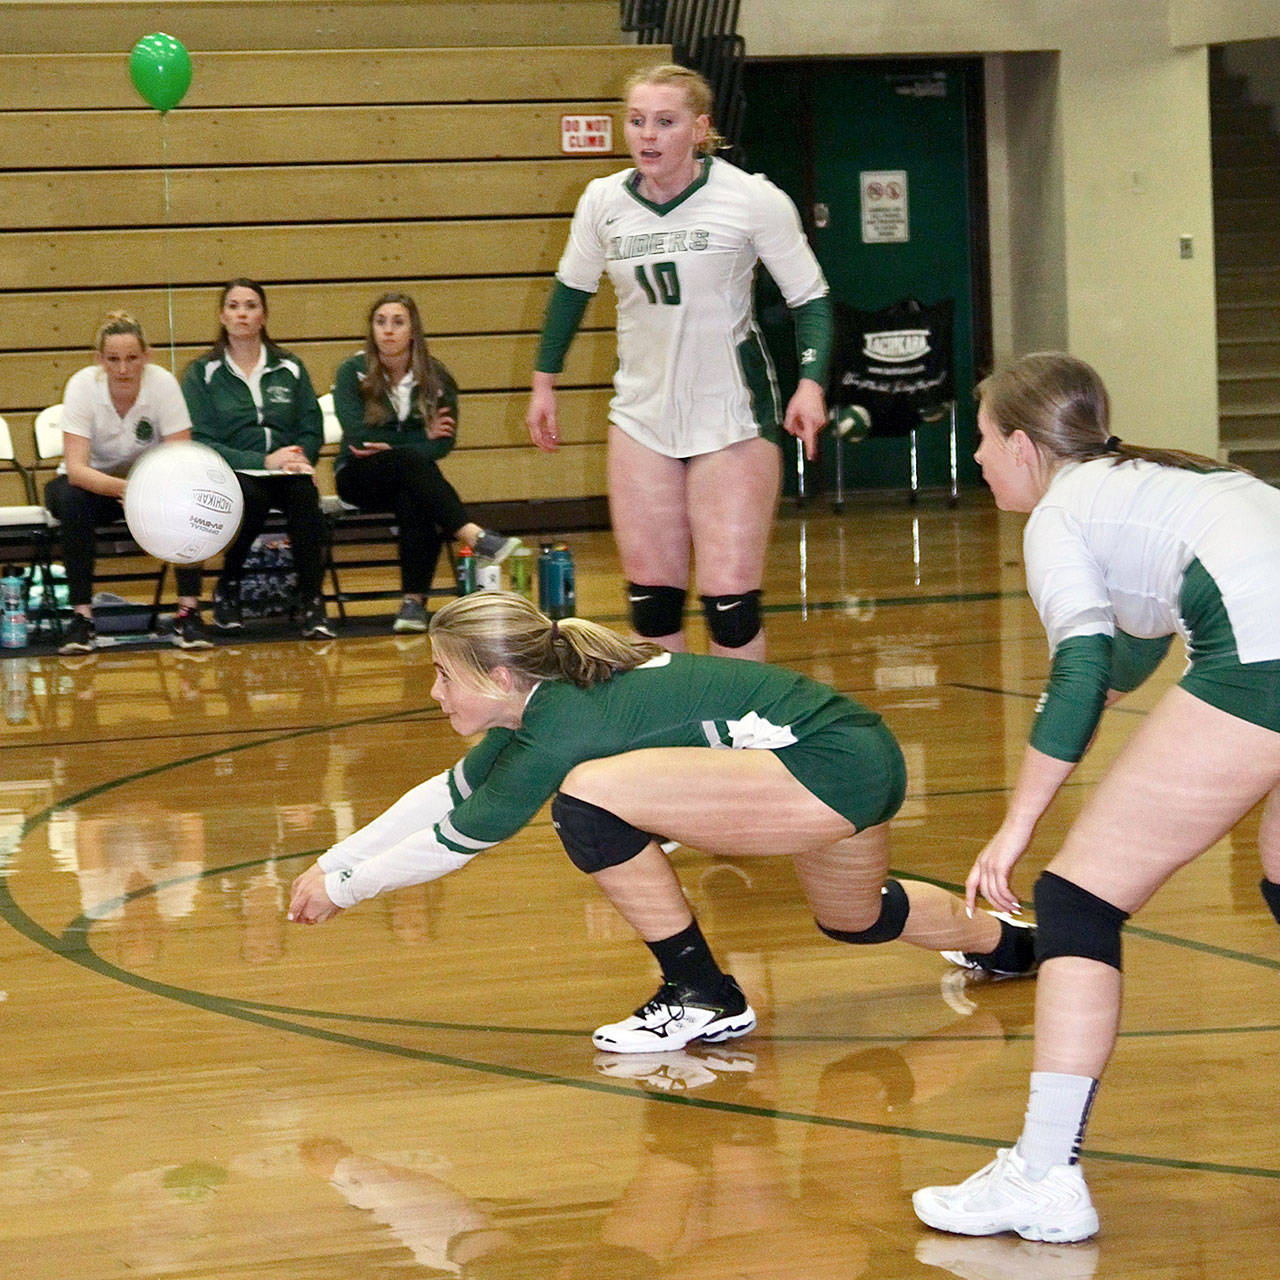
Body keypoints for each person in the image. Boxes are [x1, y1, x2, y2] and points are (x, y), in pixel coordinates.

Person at [287, 590, 1035, 1052]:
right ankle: (1020, 946)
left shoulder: (561, 727)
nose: (433, 690)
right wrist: (335, 859)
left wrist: (346, 890)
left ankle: (700, 993)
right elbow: (446, 795)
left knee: (585, 798)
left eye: (444, 674)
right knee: (854, 919)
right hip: (856, 757)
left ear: (501, 680)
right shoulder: (544, 707)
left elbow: (463, 838)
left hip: (827, 769)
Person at [912, 352, 1280, 1242]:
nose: (977, 459)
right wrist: (1084, 702)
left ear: (1028, 449)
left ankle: (1043, 1175)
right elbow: (1140, 637)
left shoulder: (1060, 516)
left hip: (1263, 662)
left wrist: (1016, 826)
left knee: (1075, 900)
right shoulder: (1149, 475)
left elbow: (1081, 668)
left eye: (984, 440)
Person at [526, 63, 832, 661]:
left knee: (730, 606)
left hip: (732, 416)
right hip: (642, 416)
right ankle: (670, 738)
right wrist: (544, 384)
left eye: (665, 122)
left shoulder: (750, 198)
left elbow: (811, 298)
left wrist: (811, 383)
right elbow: (570, 291)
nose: (648, 135)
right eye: (637, 121)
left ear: (700, 127)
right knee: (652, 601)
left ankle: (739, 737)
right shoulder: (602, 201)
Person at [331, 292, 521, 633]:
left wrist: (395, 443)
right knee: (413, 466)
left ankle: (412, 605)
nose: (388, 330)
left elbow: (444, 443)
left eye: (398, 322)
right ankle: (471, 534)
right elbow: (358, 439)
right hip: (359, 477)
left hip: (408, 480)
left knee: (414, 495)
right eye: (380, 322)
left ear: (413, 331)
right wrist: (420, 440)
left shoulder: (437, 378)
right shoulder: (352, 371)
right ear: (371, 330)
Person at [45, 311, 211, 653]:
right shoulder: (81, 386)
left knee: (191, 498)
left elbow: (180, 457)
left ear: (146, 357)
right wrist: (124, 490)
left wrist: (146, 491)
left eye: (132, 358)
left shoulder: (163, 384)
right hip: (94, 487)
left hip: (153, 486)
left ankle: (188, 613)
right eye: (113, 359)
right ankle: (82, 618)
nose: (123, 369)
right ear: (99, 360)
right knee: (70, 501)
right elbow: (76, 469)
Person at [180, 278, 334, 639]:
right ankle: (228, 586)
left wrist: (300, 457)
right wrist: (261, 461)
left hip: (288, 471)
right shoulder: (202, 372)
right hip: (233, 472)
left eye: (250, 306)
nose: (242, 314)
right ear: (222, 315)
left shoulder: (290, 367)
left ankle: (313, 599)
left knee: (304, 499)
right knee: (253, 496)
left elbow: (312, 426)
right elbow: (199, 440)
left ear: (263, 316)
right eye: (234, 306)